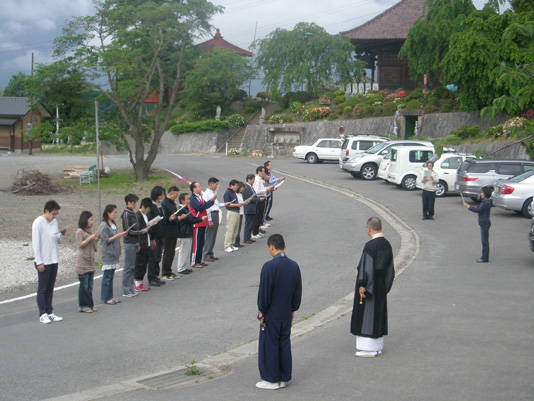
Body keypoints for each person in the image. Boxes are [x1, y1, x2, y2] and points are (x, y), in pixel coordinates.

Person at [256, 234, 302, 390]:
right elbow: (297, 291)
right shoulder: (294, 266)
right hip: (286, 312)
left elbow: (264, 293)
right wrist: (293, 308)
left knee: (271, 345)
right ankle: (284, 376)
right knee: (284, 344)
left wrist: (262, 310)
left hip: (272, 313)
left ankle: (272, 379)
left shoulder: (268, 267)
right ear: (284, 246)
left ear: (271, 247)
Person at [350, 217, 395, 357]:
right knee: (378, 314)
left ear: (369, 228)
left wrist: (364, 286)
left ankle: (367, 349)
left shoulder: (370, 246)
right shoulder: (387, 244)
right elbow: (390, 270)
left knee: (367, 315)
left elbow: (367, 268)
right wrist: (385, 287)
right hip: (381, 285)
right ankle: (377, 347)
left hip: (371, 285)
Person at [32, 200, 66, 324]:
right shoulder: (38, 223)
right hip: (43, 260)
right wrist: (39, 262)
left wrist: (61, 235)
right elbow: (36, 244)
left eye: (56, 214)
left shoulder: (54, 222)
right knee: (43, 288)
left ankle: (50, 311)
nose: (54, 216)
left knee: (50, 287)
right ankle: (42, 313)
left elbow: (56, 239)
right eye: (53, 214)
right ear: (46, 211)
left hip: (53, 258)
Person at [121, 194, 151, 297]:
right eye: (133, 202)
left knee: (133, 266)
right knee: (128, 266)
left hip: (135, 242)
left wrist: (138, 242)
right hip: (129, 242)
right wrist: (141, 232)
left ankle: (131, 288)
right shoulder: (126, 214)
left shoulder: (132, 213)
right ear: (129, 202)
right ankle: (126, 289)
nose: (135, 204)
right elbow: (129, 230)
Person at [99, 204, 127, 305]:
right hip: (108, 253)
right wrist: (118, 236)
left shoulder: (113, 223)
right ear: (108, 213)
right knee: (107, 276)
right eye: (114, 212)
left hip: (114, 253)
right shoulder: (104, 225)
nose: (115, 215)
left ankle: (110, 296)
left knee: (111, 276)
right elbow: (105, 240)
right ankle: (106, 297)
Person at [75, 211, 100, 313]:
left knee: (90, 286)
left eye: (92, 219)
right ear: (85, 220)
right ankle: (83, 306)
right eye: (90, 220)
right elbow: (80, 244)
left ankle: (90, 304)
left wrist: (98, 237)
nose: (92, 222)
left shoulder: (90, 231)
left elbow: (93, 243)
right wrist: (90, 238)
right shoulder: (79, 231)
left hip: (90, 261)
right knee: (84, 286)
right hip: (83, 262)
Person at [176, 193, 207, 274]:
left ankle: (184, 266)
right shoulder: (181, 209)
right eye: (187, 199)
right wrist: (200, 219)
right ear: (182, 201)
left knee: (187, 250)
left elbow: (192, 218)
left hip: (188, 231)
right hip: (184, 232)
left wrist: (199, 218)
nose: (189, 201)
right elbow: (189, 220)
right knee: (183, 250)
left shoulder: (186, 208)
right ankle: (181, 267)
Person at [189, 181, 216, 268]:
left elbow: (205, 205)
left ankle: (199, 260)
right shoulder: (193, 199)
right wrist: (210, 201)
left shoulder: (199, 197)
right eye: (199, 186)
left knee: (201, 243)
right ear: (194, 189)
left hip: (202, 222)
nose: (201, 188)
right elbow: (200, 207)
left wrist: (211, 201)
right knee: (196, 244)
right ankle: (194, 261)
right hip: (197, 223)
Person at [463, 187, 493, 263]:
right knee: (484, 241)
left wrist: (468, 206)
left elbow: (478, 210)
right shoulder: (486, 201)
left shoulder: (486, 202)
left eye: (482, 192)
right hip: (484, 222)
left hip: (484, 223)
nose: (481, 193)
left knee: (484, 241)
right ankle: (484, 256)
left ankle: (485, 258)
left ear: (485, 193)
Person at [146, 186, 167, 287]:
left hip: (161, 234)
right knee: (153, 257)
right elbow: (149, 223)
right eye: (161, 194)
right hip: (154, 235)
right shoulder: (151, 206)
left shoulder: (160, 205)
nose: (162, 196)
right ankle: (151, 277)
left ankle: (156, 275)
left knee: (158, 256)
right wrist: (152, 238)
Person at [134, 198, 155, 291]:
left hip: (146, 242)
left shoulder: (144, 216)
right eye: (147, 208)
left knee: (144, 262)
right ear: (143, 207)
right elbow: (138, 230)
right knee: (140, 263)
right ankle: (137, 282)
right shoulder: (138, 216)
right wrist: (146, 229)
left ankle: (140, 282)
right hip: (141, 243)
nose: (148, 210)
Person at [161, 186, 181, 280]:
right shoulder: (164, 204)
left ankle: (169, 270)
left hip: (174, 230)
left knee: (172, 253)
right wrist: (170, 218)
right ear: (170, 194)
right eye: (175, 195)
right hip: (168, 231)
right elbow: (164, 218)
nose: (176, 197)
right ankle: (165, 272)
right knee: (168, 252)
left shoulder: (172, 203)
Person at [203, 177, 221, 262]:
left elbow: (216, 205)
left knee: (213, 235)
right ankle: (206, 253)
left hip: (215, 213)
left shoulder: (213, 193)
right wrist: (209, 220)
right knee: (210, 235)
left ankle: (210, 252)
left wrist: (225, 204)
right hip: (211, 215)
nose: (216, 186)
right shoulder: (206, 194)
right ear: (211, 184)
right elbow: (207, 208)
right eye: (216, 184)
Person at [223, 179, 243, 253]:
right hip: (231, 212)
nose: (237, 187)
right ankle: (227, 245)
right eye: (236, 186)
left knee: (235, 230)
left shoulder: (233, 193)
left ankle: (232, 244)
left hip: (237, 211)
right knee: (230, 229)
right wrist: (237, 205)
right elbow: (227, 203)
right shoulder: (227, 193)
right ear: (231, 185)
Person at [243, 174, 263, 244]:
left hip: (252, 208)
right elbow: (250, 198)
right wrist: (258, 199)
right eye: (253, 180)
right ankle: (246, 238)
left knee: (251, 223)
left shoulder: (250, 187)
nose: (253, 181)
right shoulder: (246, 188)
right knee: (248, 224)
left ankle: (248, 237)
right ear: (249, 180)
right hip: (249, 208)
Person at [233, 181, 245, 248]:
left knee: (239, 228)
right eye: (242, 187)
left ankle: (237, 241)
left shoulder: (241, 194)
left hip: (241, 212)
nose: (242, 189)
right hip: (238, 212)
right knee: (237, 228)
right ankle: (235, 242)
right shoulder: (235, 195)